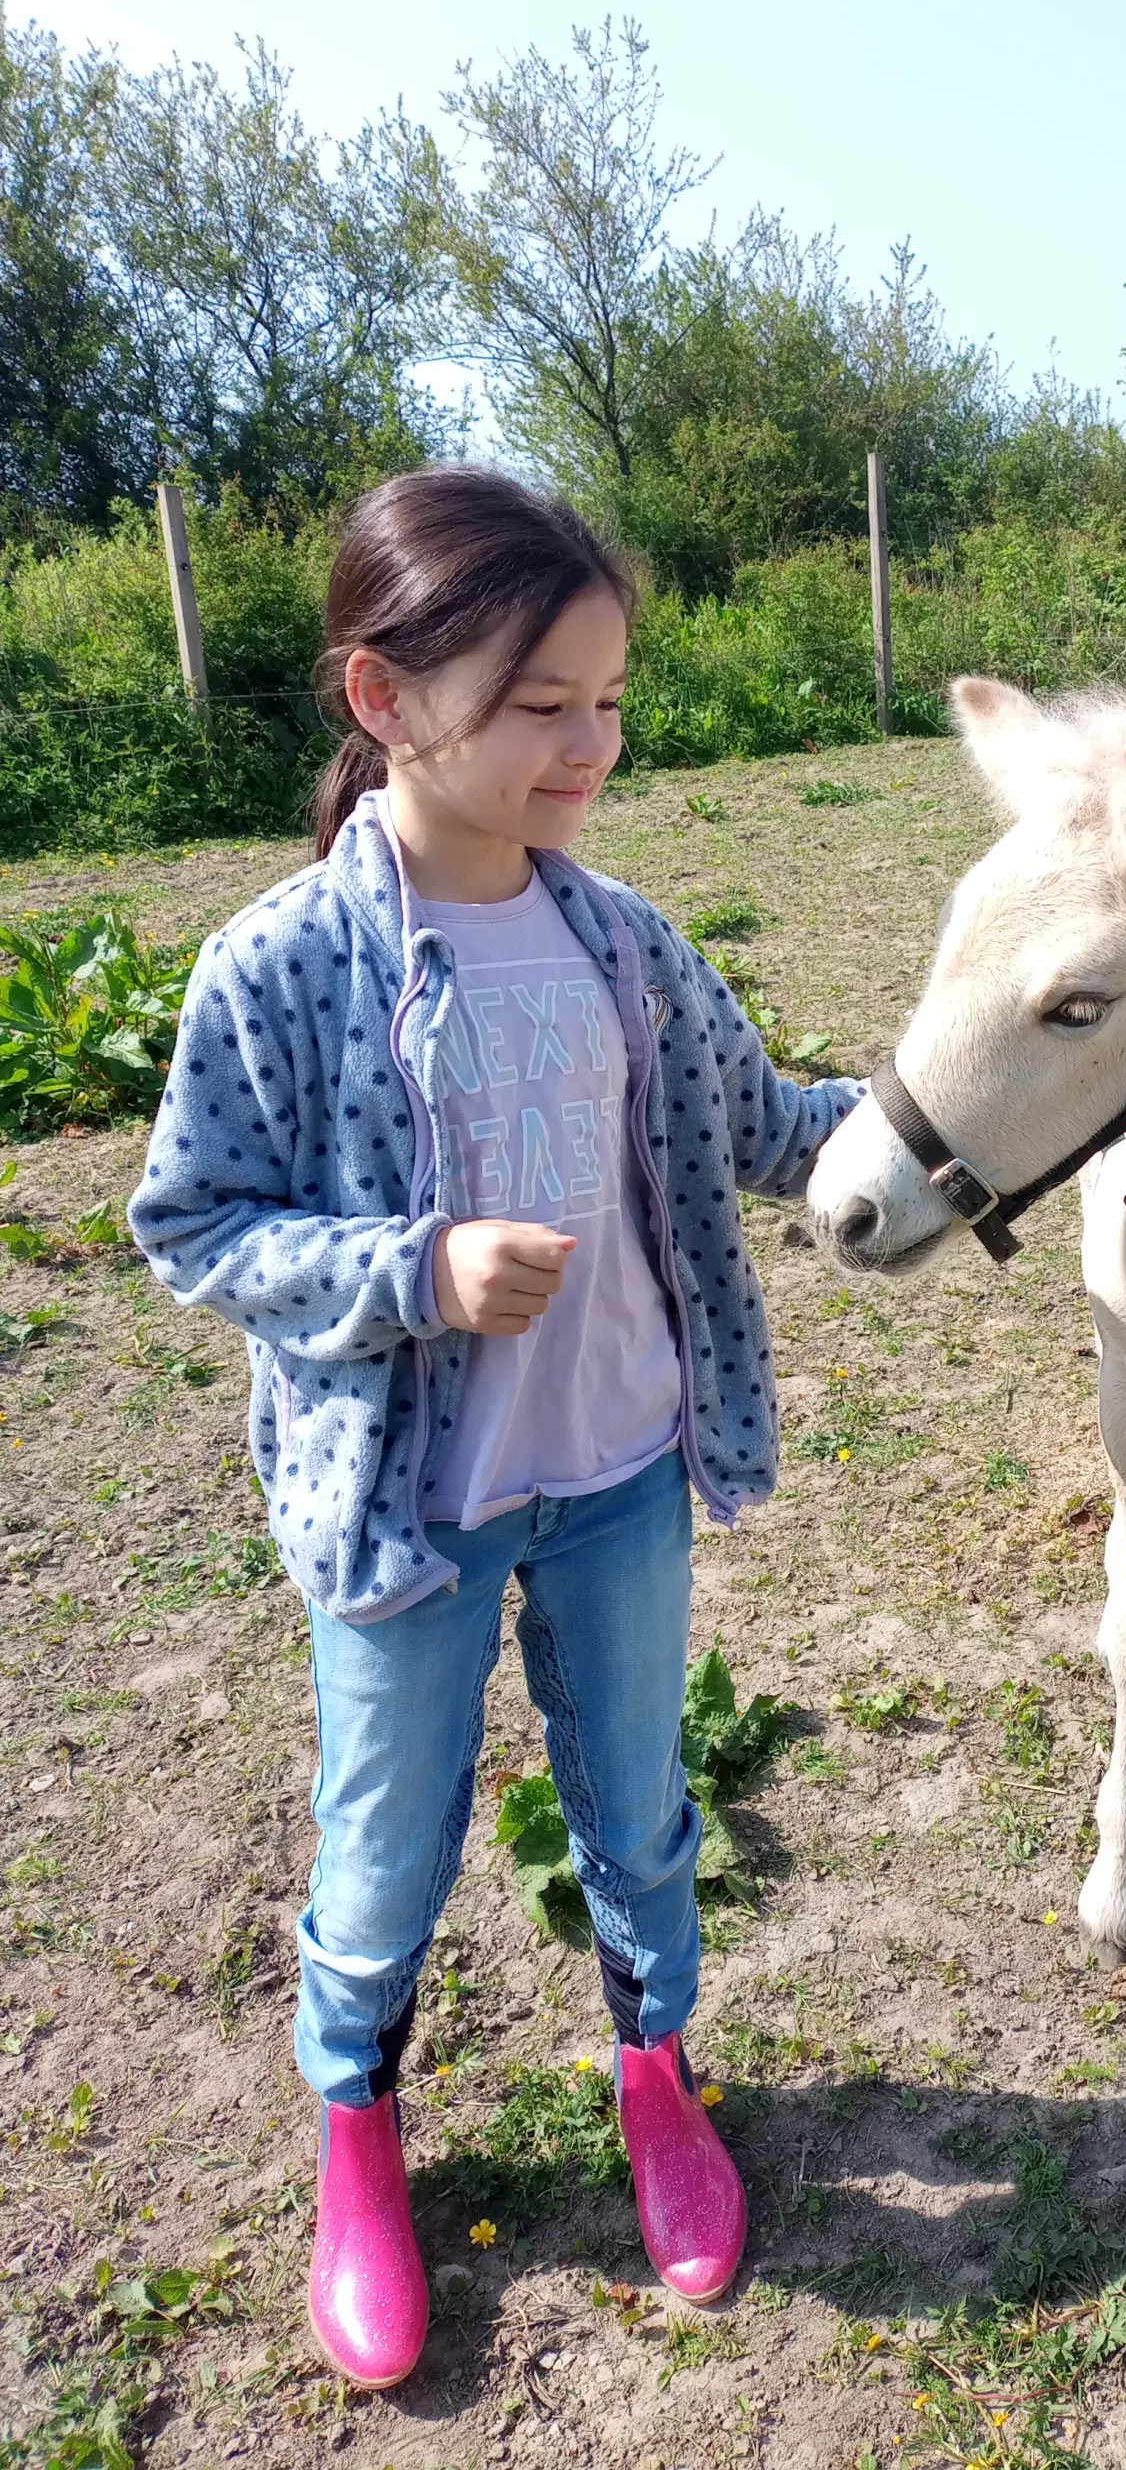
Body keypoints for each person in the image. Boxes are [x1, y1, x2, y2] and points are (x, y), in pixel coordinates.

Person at [129, 466, 859, 2389]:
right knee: (383, 1853)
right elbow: (191, 1226)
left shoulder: (621, 939)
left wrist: (979, 1108)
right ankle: (356, 2140)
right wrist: (414, 1271)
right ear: (383, 702)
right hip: (409, 1518)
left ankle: (656, 2081)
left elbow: (770, 1122)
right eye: (544, 705)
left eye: (609, 702)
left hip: (620, 1475)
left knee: (642, 1812)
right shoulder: (276, 968)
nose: (590, 746)